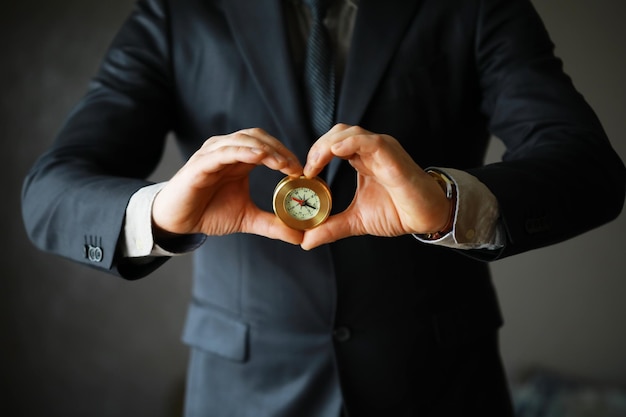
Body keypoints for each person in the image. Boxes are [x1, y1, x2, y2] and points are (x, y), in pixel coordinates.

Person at [22, 0, 625, 415]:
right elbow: (49, 193)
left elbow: (589, 168)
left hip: (440, 388)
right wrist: (160, 213)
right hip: (243, 394)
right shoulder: (178, 11)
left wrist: (448, 204)